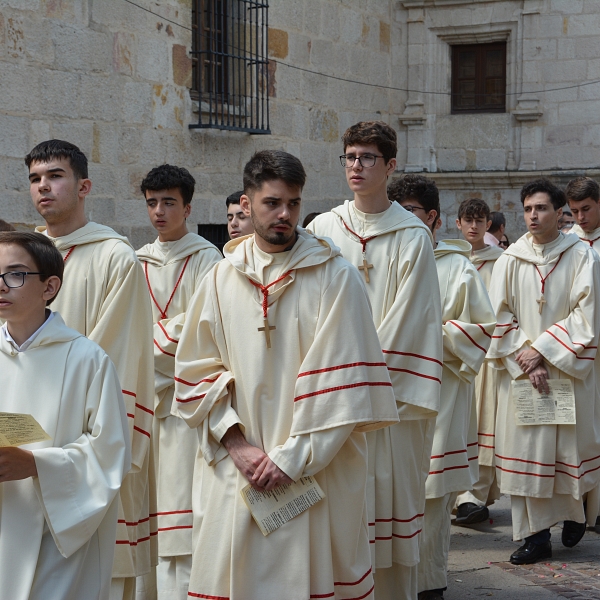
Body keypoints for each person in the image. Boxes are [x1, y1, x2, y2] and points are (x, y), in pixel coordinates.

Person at [172, 149, 398, 600]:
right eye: (272, 202)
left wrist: (290, 459)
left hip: (317, 469)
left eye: (293, 203)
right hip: (239, 467)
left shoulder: (336, 278)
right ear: (247, 201)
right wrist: (236, 445)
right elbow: (195, 370)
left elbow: (344, 389)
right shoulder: (219, 280)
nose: (284, 214)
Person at [309, 122, 443, 600]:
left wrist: (353, 383)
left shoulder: (413, 236)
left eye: (367, 158)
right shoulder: (323, 228)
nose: (356, 166)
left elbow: (412, 321)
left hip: (391, 409)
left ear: (389, 165)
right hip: (331, 403)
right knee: (336, 528)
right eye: (349, 157)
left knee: (387, 536)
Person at [26, 139, 156, 600]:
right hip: (22, 441)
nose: (44, 188)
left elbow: (116, 358)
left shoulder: (114, 257)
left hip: (81, 444)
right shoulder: (21, 259)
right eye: (36, 179)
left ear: (84, 186)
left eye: (55, 176)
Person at [0, 231, 130, 599]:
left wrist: (38, 465)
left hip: (59, 532)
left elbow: (110, 451)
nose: (2, 286)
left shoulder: (86, 358)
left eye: (15, 275)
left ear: (49, 286)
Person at [487, 178, 600, 564]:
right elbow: (497, 316)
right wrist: (525, 357)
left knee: (568, 452)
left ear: (559, 212)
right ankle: (534, 537)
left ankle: (575, 515)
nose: (533, 215)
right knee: (527, 454)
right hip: (522, 374)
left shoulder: (582, 256)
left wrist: (543, 352)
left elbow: (587, 316)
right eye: (528, 209)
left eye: (542, 208)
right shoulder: (510, 259)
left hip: (565, 371)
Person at [392, 179, 495, 600]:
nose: (401, 219)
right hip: (390, 396)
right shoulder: (383, 259)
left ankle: (428, 583)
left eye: (411, 211)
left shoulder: (457, 266)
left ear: (432, 218)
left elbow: (482, 331)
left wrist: (427, 334)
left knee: (433, 499)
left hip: (441, 397)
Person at [136, 164, 222, 600]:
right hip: (143, 404)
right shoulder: (136, 261)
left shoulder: (209, 260)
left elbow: (204, 328)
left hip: (186, 404)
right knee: (145, 511)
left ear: (188, 207)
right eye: (152, 202)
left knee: (183, 516)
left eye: (168, 202)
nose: (159, 211)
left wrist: (144, 352)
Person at [453, 198, 505, 524]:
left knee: (486, 423)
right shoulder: (448, 260)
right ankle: (458, 495)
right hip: (456, 352)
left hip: (490, 354)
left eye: (480, 221)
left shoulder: (503, 261)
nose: (473, 226)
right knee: (458, 423)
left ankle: (476, 496)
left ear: (488, 225)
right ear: (457, 223)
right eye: (468, 220)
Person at [566, 176, 600, 532]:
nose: (580, 217)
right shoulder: (569, 245)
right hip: (581, 349)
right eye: (574, 211)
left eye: (586, 209)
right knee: (584, 428)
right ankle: (581, 505)